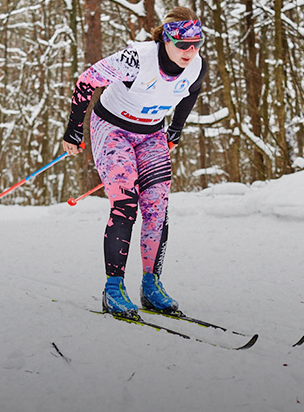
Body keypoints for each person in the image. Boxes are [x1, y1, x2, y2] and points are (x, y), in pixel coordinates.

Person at [62, 6, 207, 319]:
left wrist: (175, 131)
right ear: (165, 41)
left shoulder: (196, 67)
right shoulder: (136, 60)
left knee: (157, 205)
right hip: (112, 127)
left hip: (151, 133)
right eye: (183, 44)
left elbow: (190, 94)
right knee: (125, 202)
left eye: (196, 43)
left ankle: (151, 285)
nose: (190, 51)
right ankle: (113, 289)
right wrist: (73, 130)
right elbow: (87, 80)